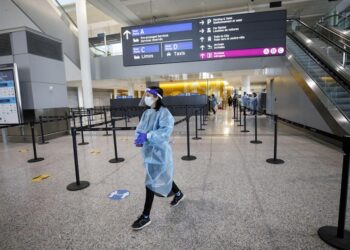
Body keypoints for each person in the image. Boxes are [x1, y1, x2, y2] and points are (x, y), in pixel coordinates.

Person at [132, 87, 184, 231]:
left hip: (160, 152)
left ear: (156, 97)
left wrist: (148, 136)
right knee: (163, 174)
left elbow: (165, 132)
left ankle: (146, 216)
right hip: (149, 151)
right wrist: (139, 138)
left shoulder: (165, 113)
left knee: (150, 181)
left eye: (149, 95)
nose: (146, 98)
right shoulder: (146, 113)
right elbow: (140, 128)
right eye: (146, 95)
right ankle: (178, 193)